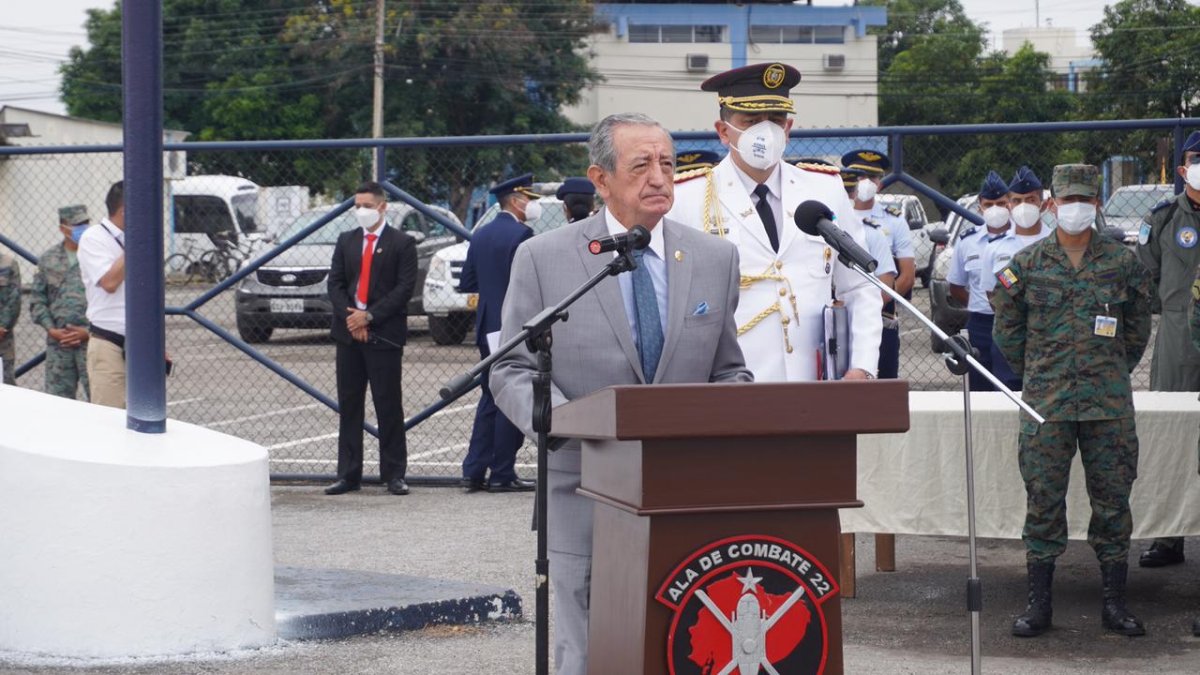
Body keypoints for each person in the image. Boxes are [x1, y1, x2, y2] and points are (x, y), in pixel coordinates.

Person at [490, 112, 753, 675]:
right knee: (588, 650)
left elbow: (730, 371)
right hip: (584, 485)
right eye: (641, 165)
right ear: (601, 179)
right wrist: (564, 424)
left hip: (686, 491)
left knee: (685, 640)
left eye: (668, 163)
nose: (659, 178)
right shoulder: (544, 258)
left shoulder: (714, 259)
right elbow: (510, 367)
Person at [992, 163, 1151, 638]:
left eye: (1085, 199)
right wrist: (1039, 374)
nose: (1076, 208)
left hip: (1108, 406)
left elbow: (1138, 330)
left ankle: (1114, 604)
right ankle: (1039, 605)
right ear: (1051, 204)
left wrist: (1110, 371)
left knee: (1113, 503)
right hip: (1048, 405)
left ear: (1097, 204)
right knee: (1043, 500)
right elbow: (1007, 330)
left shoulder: (1122, 264)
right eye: (1067, 200)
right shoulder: (1028, 264)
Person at [667, 62, 882, 382]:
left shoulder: (824, 188)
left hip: (816, 385)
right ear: (724, 131)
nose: (765, 131)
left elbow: (861, 286)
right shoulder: (687, 197)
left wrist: (862, 367)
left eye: (776, 120)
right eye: (751, 121)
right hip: (728, 388)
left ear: (789, 128)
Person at [324, 181, 418, 497]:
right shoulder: (346, 241)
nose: (360, 210)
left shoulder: (402, 243)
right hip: (349, 335)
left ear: (382, 207)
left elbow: (403, 289)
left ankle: (394, 474)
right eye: (357, 205)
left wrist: (370, 316)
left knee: (388, 405)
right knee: (350, 407)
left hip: (384, 336)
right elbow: (335, 284)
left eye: (366, 205)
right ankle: (348, 474)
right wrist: (352, 318)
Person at [1133, 131, 1200, 569]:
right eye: (1197, 157)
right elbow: (1143, 284)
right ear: (1182, 168)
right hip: (1178, 338)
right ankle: (1168, 539)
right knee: (1172, 437)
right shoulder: (1161, 220)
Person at [458, 174, 540, 494]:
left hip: (486, 327)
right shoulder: (522, 235)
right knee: (512, 396)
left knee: (489, 398)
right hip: (512, 328)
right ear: (517, 202)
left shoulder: (480, 235)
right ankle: (502, 472)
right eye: (529, 200)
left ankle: (473, 469)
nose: (531, 206)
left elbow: (467, 282)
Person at [841, 149, 916, 380]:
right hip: (836, 314)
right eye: (859, 175)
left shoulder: (893, 220)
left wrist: (870, 306)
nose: (865, 182)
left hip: (881, 315)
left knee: (881, 383)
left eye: (871, 177)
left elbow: (906, 276)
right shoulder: (835, 216)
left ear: (880, 184)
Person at [978, 166, 1052, 390]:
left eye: (1030, 199)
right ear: (1008, 205)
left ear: (1043, 203)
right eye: (1017, 200)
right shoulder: (995, 248)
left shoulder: (1056, 244)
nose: (1023, 206)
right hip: (1009, 340)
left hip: (1051, 338)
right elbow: (991, 295)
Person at [946, 171, 1012, 391]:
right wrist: (977, 302)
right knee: (979, 386)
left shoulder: (1021, 239)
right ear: (980, 207)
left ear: (1010, 204)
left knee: (1011, 384)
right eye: (989, 204)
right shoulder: (968, 241)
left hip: (1014, 323)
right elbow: (956, 286)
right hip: (980, 323)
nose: (995, 209)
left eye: (1001, 203)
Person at [30, 205, 92, 399]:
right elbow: (37, 301)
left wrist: (89, 332)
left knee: (102, 405)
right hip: (59, 345)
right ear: (63, 228)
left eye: (85, 223)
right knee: (58, 404)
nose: (82, 228)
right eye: (76, 225)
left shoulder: (97, 254)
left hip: (92, 343)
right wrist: (51, 329)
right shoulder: (48, 259)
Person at [77, 181, 127, 408]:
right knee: (111, 416)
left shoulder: (145, 239)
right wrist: (136, 241)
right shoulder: (93, 238)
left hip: (143, 341)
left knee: (148, 416)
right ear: (126, 210)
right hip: (109, 340)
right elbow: (109, 282)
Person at [842, 168, 898, 306]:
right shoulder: (808, 232)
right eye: (843, 192)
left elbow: (885, 288)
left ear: (855, 194)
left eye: (850, 192)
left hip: (861, 312)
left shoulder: (871, 232)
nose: (846, 198)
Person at [0, 248, 19, 385]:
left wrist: (3, 325)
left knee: (6, 386)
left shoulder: (8, 263)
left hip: (2, 339)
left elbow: (14, 299)